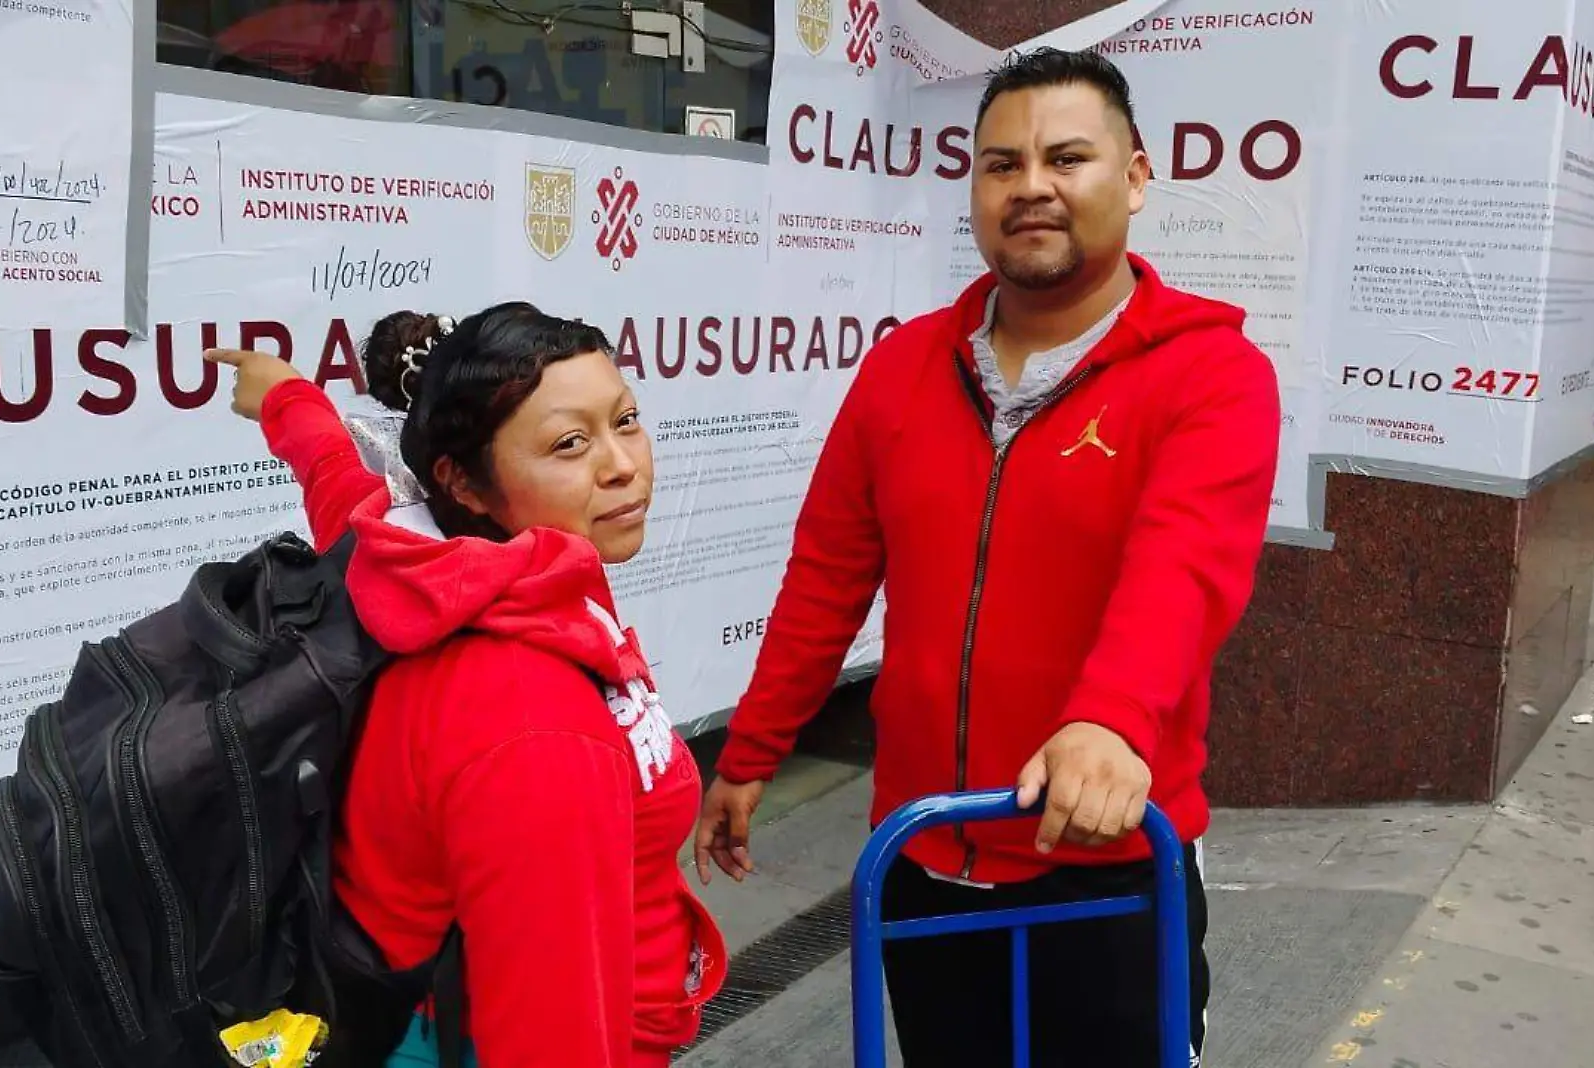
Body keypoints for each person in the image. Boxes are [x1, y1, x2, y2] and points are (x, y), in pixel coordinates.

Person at [694, 47, 1279, 1067]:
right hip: (922, 853)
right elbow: (829, 576)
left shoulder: (1210, 375)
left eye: (1067, 158)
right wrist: (750, 753)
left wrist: (1107, 722)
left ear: (1135, 179)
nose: (1031, 188)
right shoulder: (901, 367)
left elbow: (1181, 570)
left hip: (1102, 857)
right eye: (1000, 165)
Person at [204, 302, 726, 1068]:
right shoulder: (533, 727)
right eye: (570, 443)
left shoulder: (414, 563)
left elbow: (334, 475)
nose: (622, 464)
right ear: (465, 485)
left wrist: (285, 395)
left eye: (627, 419)